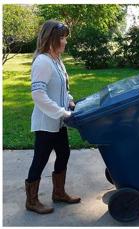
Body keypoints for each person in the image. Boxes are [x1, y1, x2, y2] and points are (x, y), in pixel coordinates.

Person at [25, 20, 80, 214]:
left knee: (64, 154)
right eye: (62, 38)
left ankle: (58, 193)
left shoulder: (56, 59)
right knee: (40, 160)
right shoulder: (43, 61)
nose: (65, 42)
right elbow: (38, 95)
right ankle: (31, 201)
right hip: (46, 123)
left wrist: (70, 101)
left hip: (59, 122)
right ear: (52, 39)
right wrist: (62, 112)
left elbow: (62, 89)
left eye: (65, 38)